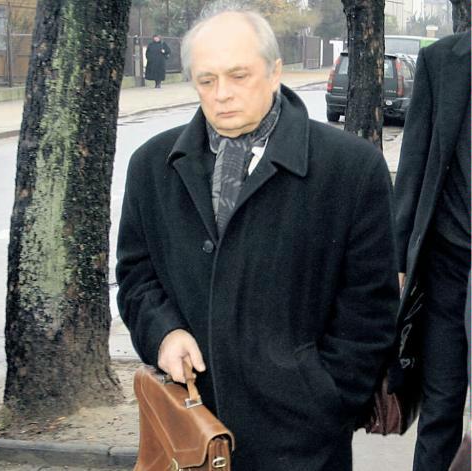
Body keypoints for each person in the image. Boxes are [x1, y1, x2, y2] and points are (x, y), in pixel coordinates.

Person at [117, 9, 399, 471]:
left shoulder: (350, 168)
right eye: (206, 80)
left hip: (304, 441)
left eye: (238, 75)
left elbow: (370, 306)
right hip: (192, 432)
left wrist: (327, 396)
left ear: (274, 71)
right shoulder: (152, 165)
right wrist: (163, 333)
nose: (222, 94)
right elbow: (136, 275)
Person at [390, 30, 471, 471]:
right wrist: (400, 257)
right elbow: (415, 161)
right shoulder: (441, 61)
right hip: (447, 267)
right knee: (440, 406)